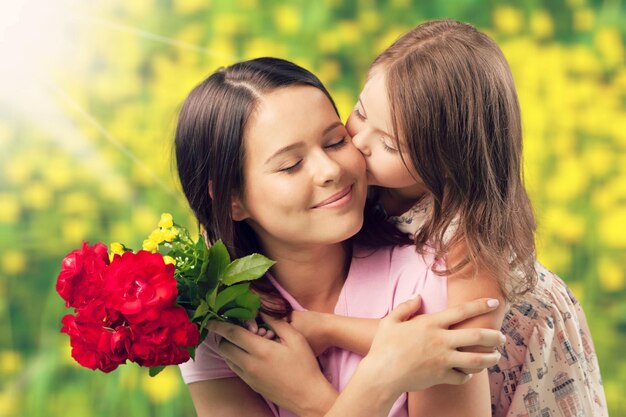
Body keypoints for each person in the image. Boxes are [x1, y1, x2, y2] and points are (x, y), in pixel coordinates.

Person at [226, 19, 607, 417]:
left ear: (445, 164)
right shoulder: (374, 187)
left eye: (388, 143)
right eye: (359, 112)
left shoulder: (472, 239)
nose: (357, 144)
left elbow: (447, 348)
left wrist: (326, 329)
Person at [174, 57, 506, 417]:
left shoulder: (436, 276)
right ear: (232, 200)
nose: (331, 170)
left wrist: (313, 399)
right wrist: (379, 380)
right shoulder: (218, 318)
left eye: (335, 141)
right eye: (291, 165)